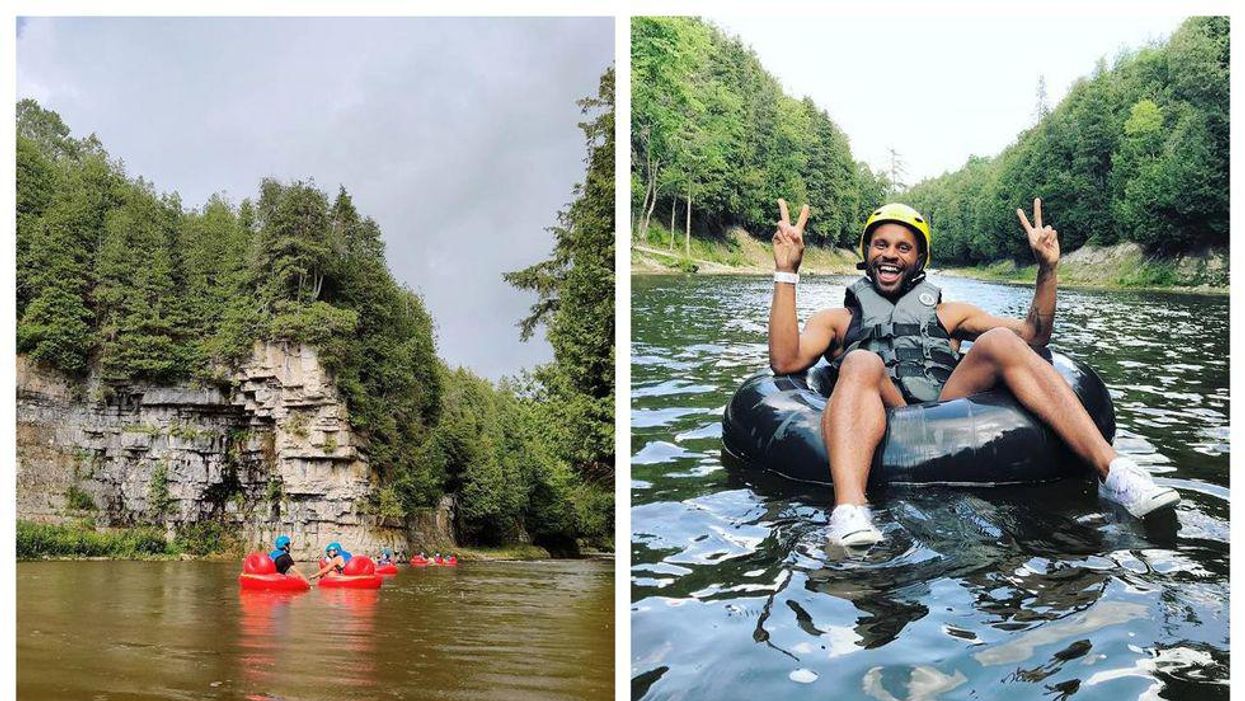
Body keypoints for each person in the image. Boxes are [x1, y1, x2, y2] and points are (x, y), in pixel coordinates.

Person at [768, 198, 1181, 548]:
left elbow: (1034, 336)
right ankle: (850, 512)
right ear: (867, 252)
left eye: (903, 247)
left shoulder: (950, 314)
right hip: (884, 406)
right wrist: (787, 270)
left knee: (1000, 340)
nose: (890, 254)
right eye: (881, 244)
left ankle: (1117, 473)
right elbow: (785, 363)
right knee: (861, 361)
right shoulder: (837, 319)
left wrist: (1047, 269)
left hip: (946, 405)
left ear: (919, 260)